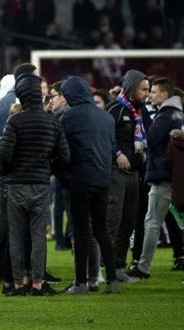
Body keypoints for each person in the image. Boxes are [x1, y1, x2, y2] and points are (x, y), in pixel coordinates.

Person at [0, 64, 70, 296]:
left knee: (17, 235)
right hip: (40, 184)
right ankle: (38, 283)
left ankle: (18, 284)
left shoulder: (15, 121)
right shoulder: (52, 121)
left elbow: (3, 154)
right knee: (38, 236)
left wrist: (6, 172)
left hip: (16, 184)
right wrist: (47, 168)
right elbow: (65, 156)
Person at [59, 76, 120, 294]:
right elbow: (111, 151)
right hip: (103, 180)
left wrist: (62, 172)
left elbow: (62, 150)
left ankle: (81, 283)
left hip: (80, 179)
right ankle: (112, 281)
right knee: (102, 231)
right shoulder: (106, 118)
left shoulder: (69, 117)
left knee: (82, 231)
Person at [128, 78, 183, 279]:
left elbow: (149, 140)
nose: (150, 94)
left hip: (164, 177)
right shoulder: (179, 113)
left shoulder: (164, 116)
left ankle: (143, 267)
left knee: (151, 223)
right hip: (178, 177)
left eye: (154, 91)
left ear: (165, 95)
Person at [105, 69, 150, 282]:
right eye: (143, 89)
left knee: (128, 222)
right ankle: (101, 268)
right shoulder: (114, 108)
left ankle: (119, 267)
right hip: (116, 173)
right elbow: (104, 136)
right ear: (131, 88)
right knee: (112, 221)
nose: (147, 94)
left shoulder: (139, 113)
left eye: (148, 90)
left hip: (133, 174)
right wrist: (118, 153)